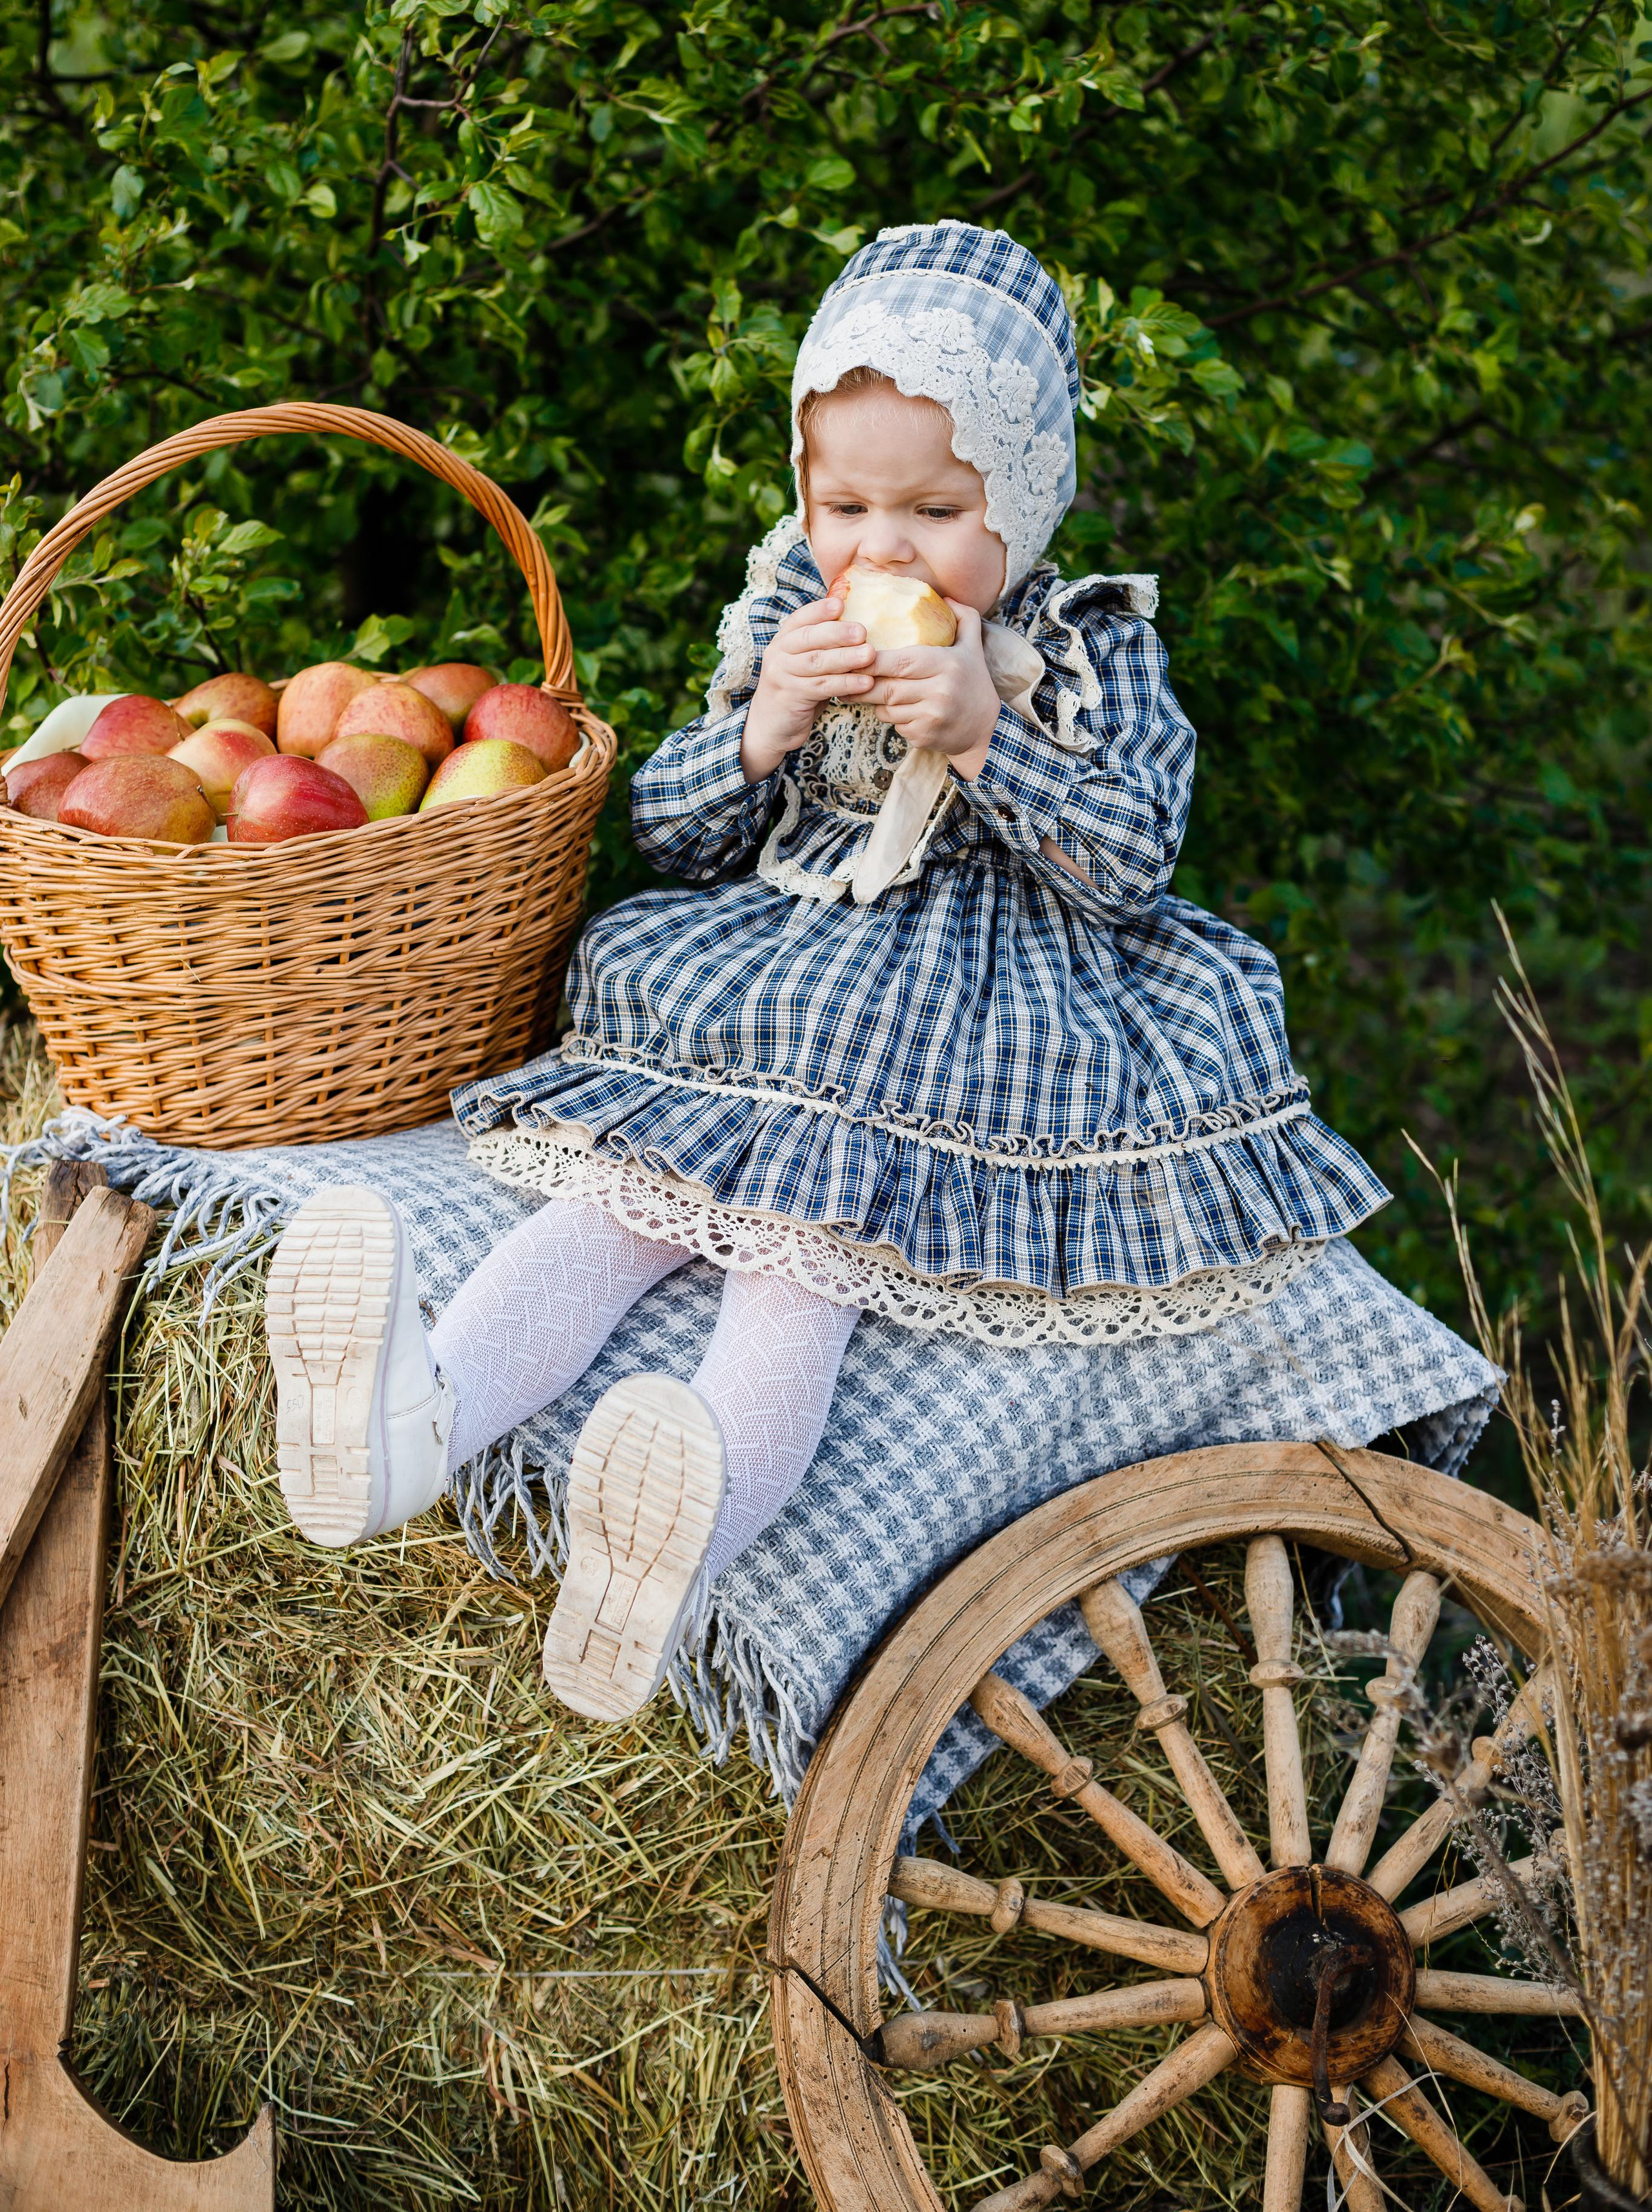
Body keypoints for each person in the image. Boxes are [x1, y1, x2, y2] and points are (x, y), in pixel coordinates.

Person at [266, 221, 1398, 1721]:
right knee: (611, 1206)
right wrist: (762, 725)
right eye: (846, 506)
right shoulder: (786, 615)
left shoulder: (1086, 648)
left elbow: (1129, 862)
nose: (881, 550)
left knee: (792, 1273)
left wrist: (982, 735)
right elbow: (671, 837)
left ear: (1021, 504)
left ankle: (670, 1547)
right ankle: (409, 1424)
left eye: (934, 511)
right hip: (774, 983)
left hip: (969, 1014)